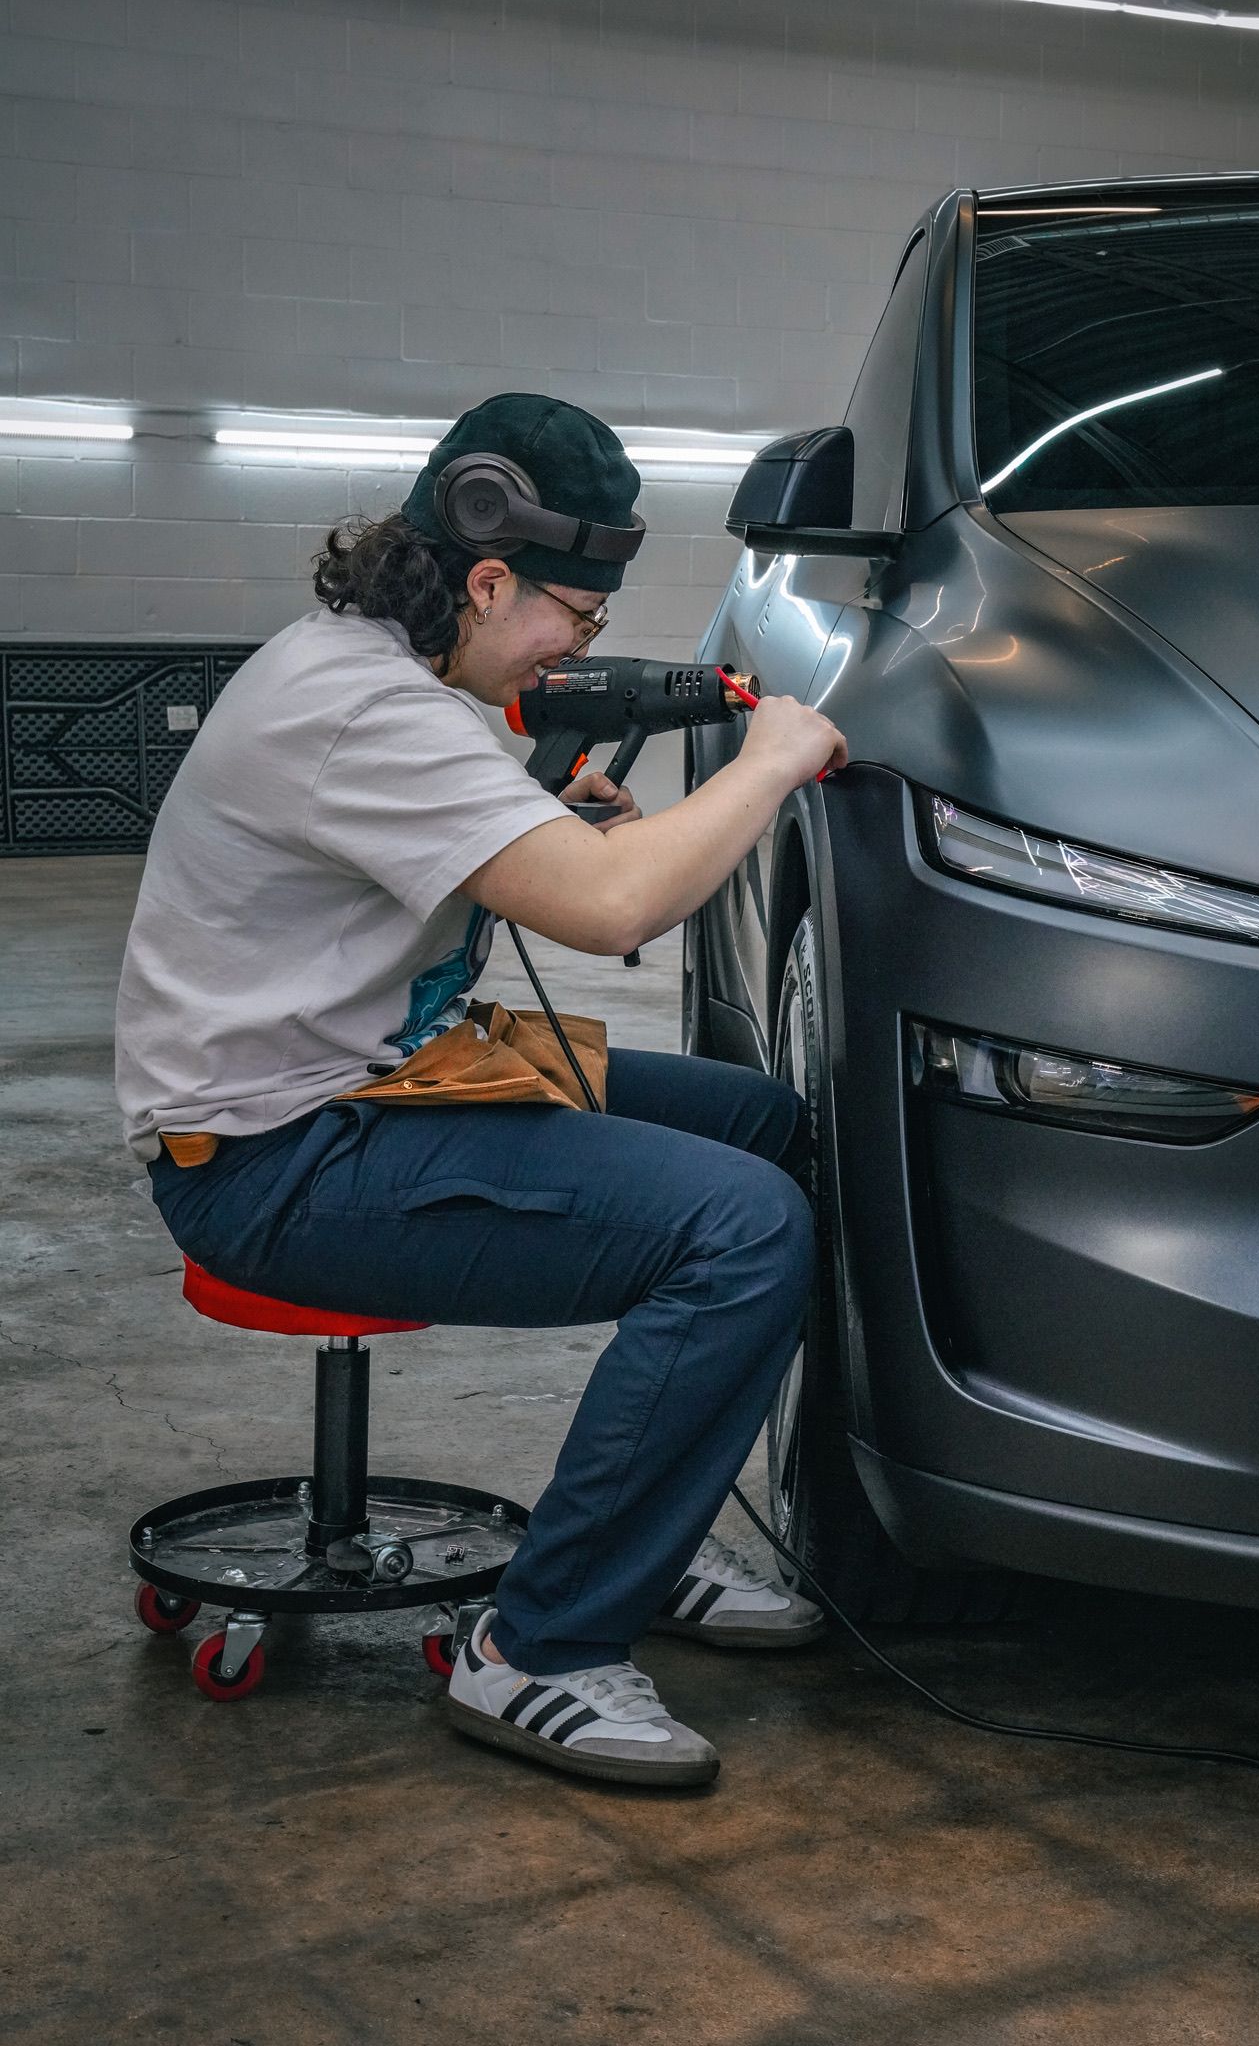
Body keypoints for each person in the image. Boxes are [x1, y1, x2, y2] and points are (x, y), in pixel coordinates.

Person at [115, 393, 848, 1788]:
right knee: (742, 1227)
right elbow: (612, 907)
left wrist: (539, 827)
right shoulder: (364, 710)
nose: (580, 645)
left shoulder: (371, 674)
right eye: (574, 612)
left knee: (759, 1127)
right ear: (490, 580)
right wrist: (770, 763)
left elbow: (452, 859)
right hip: (278, 1158)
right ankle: (541, 1650)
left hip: (377, 1084)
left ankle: (640, 1538)